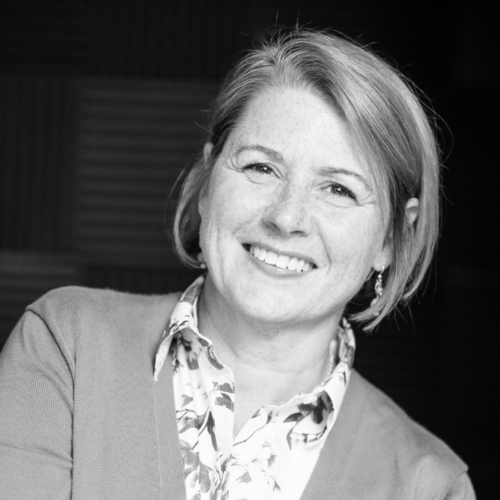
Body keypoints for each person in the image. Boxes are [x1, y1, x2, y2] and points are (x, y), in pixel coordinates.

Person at [0, 29, 475, 499]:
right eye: (261, 168)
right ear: (208, 182)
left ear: (391, 239)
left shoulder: (428, 485)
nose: (287, 217)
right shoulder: (67, 346)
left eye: (339, 190)